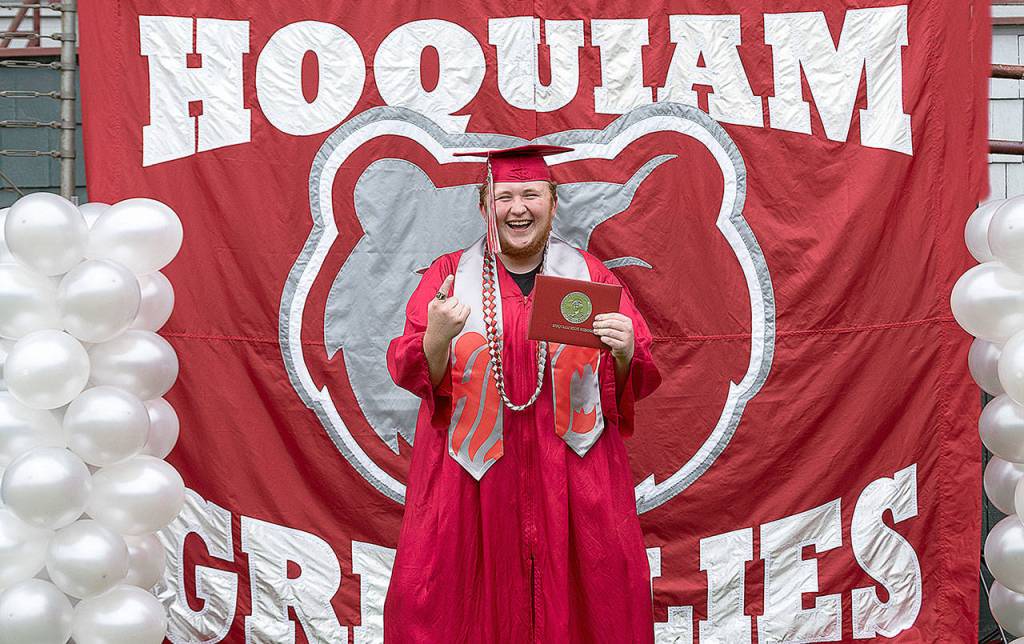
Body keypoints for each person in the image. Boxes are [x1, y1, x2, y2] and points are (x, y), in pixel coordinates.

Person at [384, 144, 662, 643]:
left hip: (574, 484)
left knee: (594, 604)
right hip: (470, 486)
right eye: (504, 196)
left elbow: (631, 378)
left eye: (531, 194)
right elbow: (410, 369)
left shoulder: (589, 278)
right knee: (451, 605)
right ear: (483, 204)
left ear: (553, 204)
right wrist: (436, 338)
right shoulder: (449, 278)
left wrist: (623, 353)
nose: (518, 208)